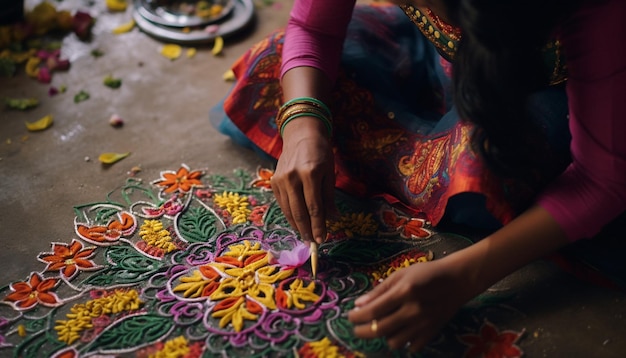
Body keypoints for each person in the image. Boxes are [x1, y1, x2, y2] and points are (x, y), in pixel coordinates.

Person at [210, 0, 626, 352]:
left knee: (487, 173)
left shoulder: (594, 11)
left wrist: (465, 274)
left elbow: (600, 181)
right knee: (276, 68)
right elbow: (311, 26)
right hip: (437, 59)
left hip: (549, 93)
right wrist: (303, 124)